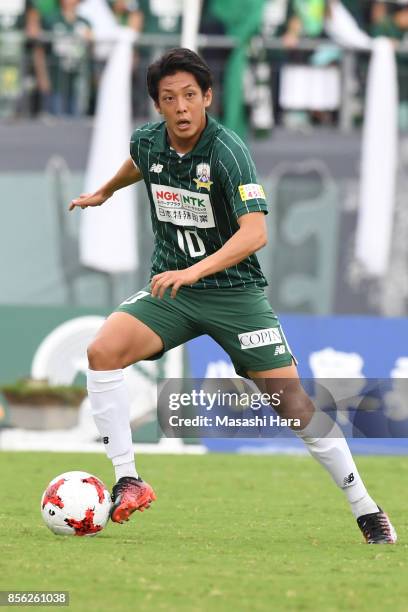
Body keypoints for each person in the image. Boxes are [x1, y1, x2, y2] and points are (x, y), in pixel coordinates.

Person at [69, 48, 396, 543]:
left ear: (207, 97)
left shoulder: (227, 152)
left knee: (295, 407)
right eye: (168, 98)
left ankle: (366, 508)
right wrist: (105, 191)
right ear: (157, 106)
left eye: (189, 96)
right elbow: (138, 162)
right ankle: (128, 478)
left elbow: (255, 233)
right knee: (102, 351)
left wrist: (196, 271)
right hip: (171, 289)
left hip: (234, 293)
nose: (180, 108)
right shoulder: (148, 141)